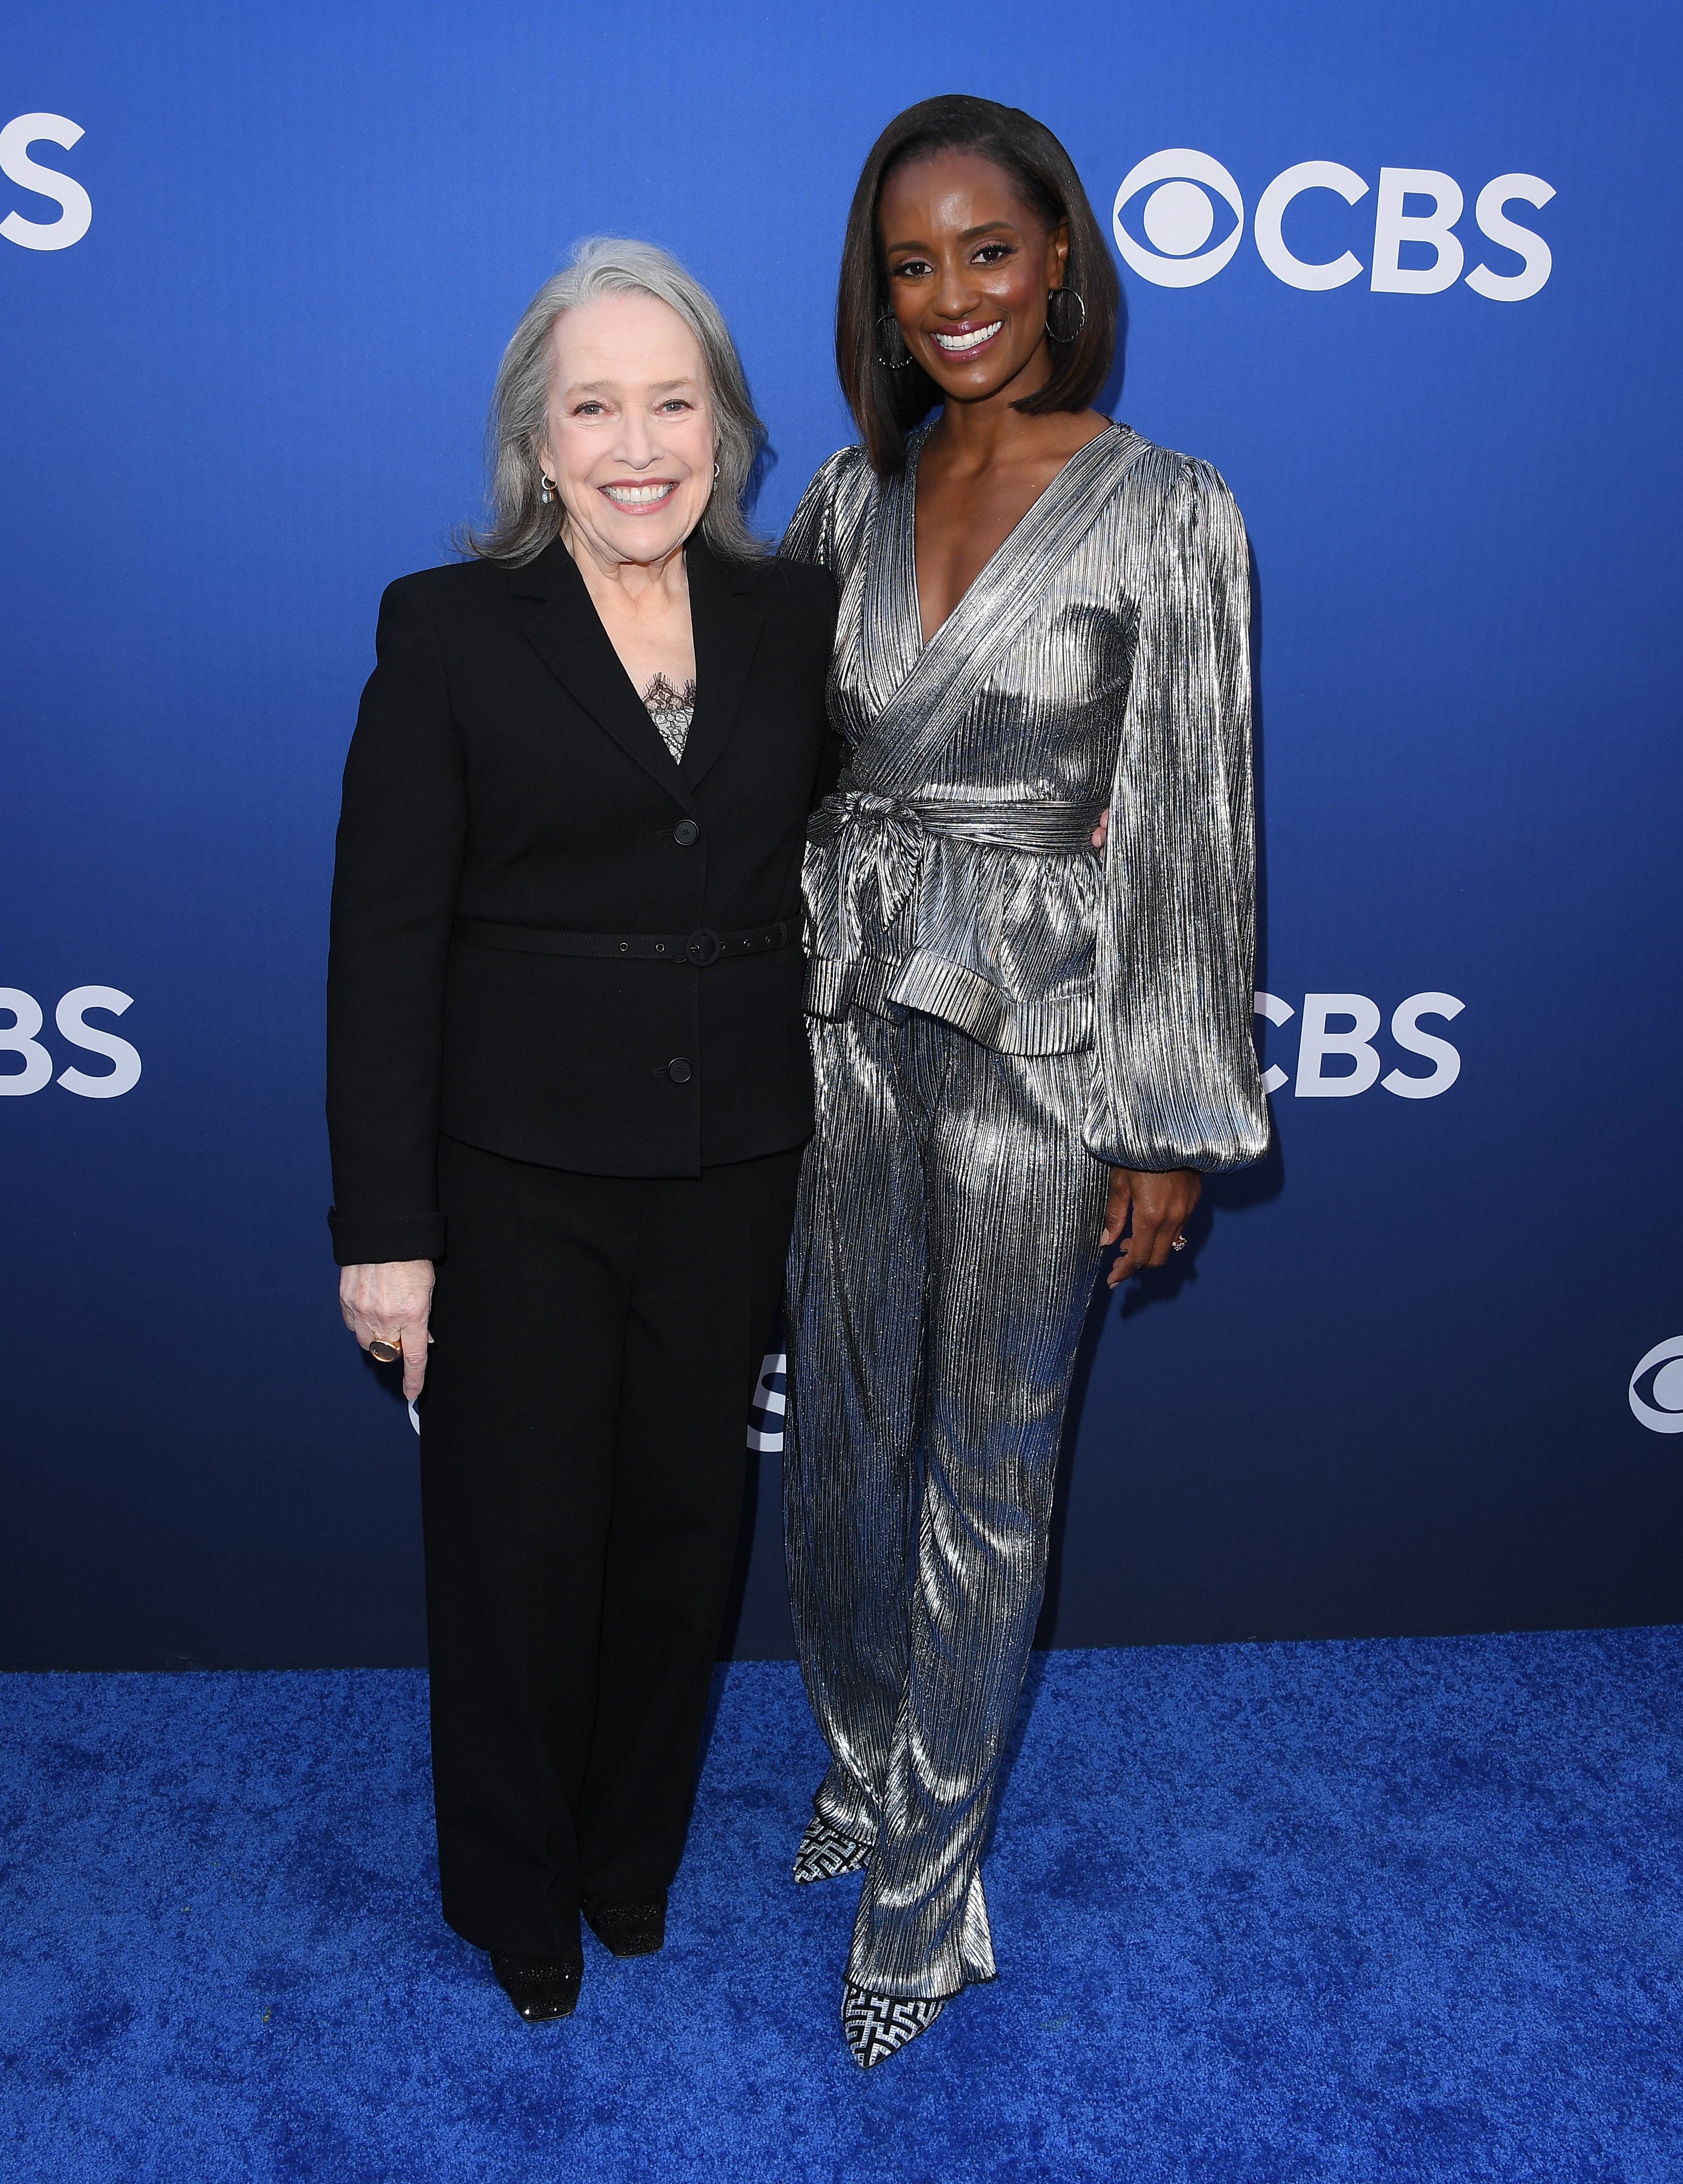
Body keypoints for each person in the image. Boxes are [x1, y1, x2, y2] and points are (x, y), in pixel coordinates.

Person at [779, 95, 1269, 2067]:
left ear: (1064, 253)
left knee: (986, 1470)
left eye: (990, 249)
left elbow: (1193, 832)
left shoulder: (1169, 505)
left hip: (1045, 1059)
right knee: (840, 1443)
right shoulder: (843, 500)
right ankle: (865, 1755)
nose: (955, 296)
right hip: (834, 1028)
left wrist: (1165, 1116)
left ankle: (928, 1890)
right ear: (879, 298)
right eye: (914, 266)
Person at [327, 238, 839, 2023]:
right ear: (536, 446)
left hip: (733, 1165)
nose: (640, 444)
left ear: (727, 428)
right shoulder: (448, 626)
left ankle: (630, 1865)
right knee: (513, 1550)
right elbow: (384, 944)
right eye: (595, 406)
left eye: (674, 401)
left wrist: (1062, 824)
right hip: (512, 1177)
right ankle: (516, 1896)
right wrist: (386, 1235)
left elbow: (890, 821)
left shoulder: (799, 619)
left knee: (680, 1538)